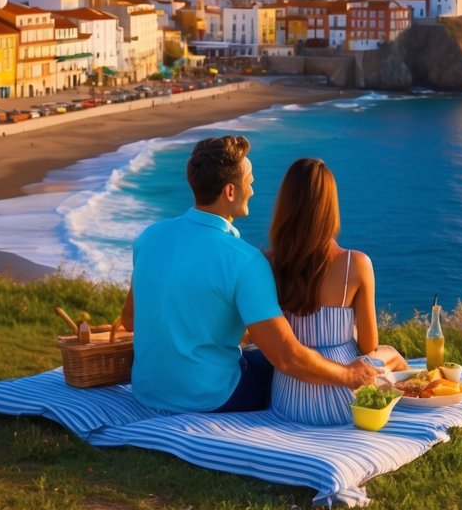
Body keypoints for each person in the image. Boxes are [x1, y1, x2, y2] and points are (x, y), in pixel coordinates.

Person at [120, 135, 378, 414]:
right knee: (270, 363)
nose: (253, 191)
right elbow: (287, 357)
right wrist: (350, 375)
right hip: (211, 397)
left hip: (147, 390)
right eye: (250, 182)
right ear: (231, 192)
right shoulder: (245, 260)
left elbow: (130, 319)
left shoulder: (149, 237)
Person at [267, 158, 408, 426]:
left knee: (387, 356)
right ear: (330, 207)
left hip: (288, 398)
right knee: (389, 353)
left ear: (285, 205)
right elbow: (369, 346)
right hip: (346, 397)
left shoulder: (267, 263)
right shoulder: (356, 264)